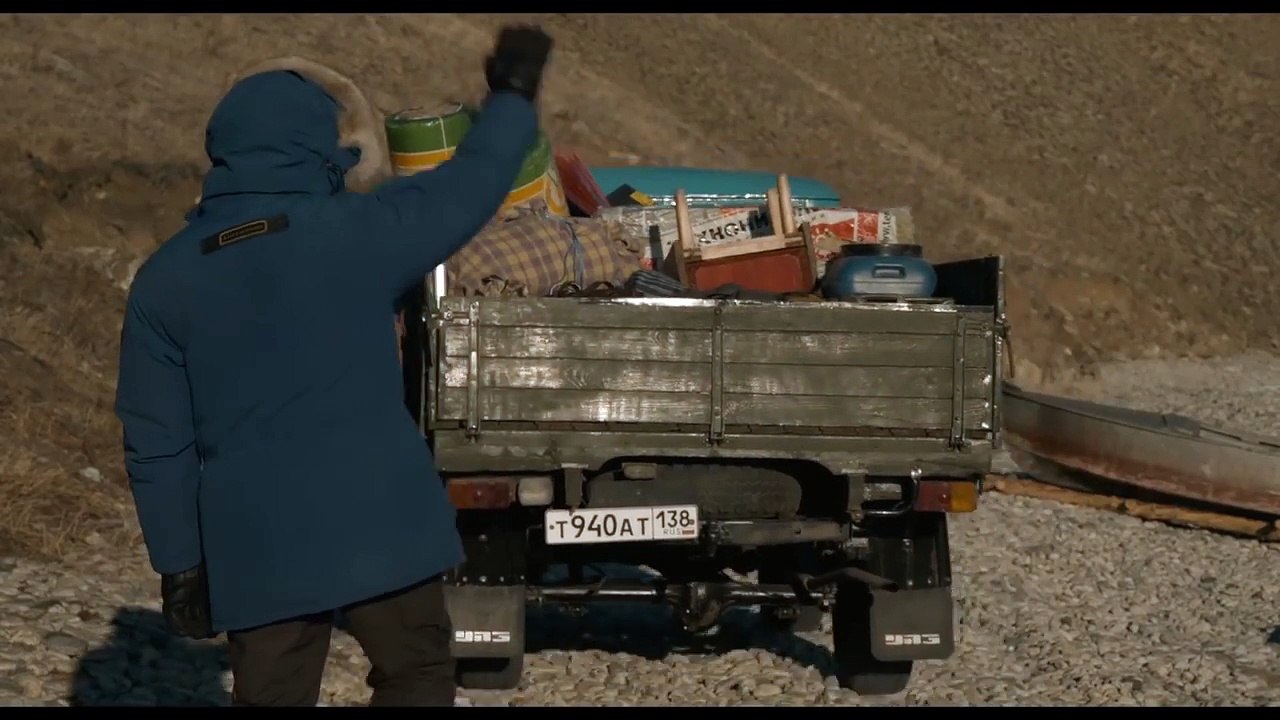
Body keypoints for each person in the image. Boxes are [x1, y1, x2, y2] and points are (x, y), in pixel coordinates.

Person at [113, 25, 554, 707]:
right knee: (416, 674)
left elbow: (156, 445)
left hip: (255, 539)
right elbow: (472, 185)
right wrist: (513, 98)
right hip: (381, 518)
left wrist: (179, 566)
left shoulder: (164, 281)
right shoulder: (358, 232)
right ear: (320, 147)